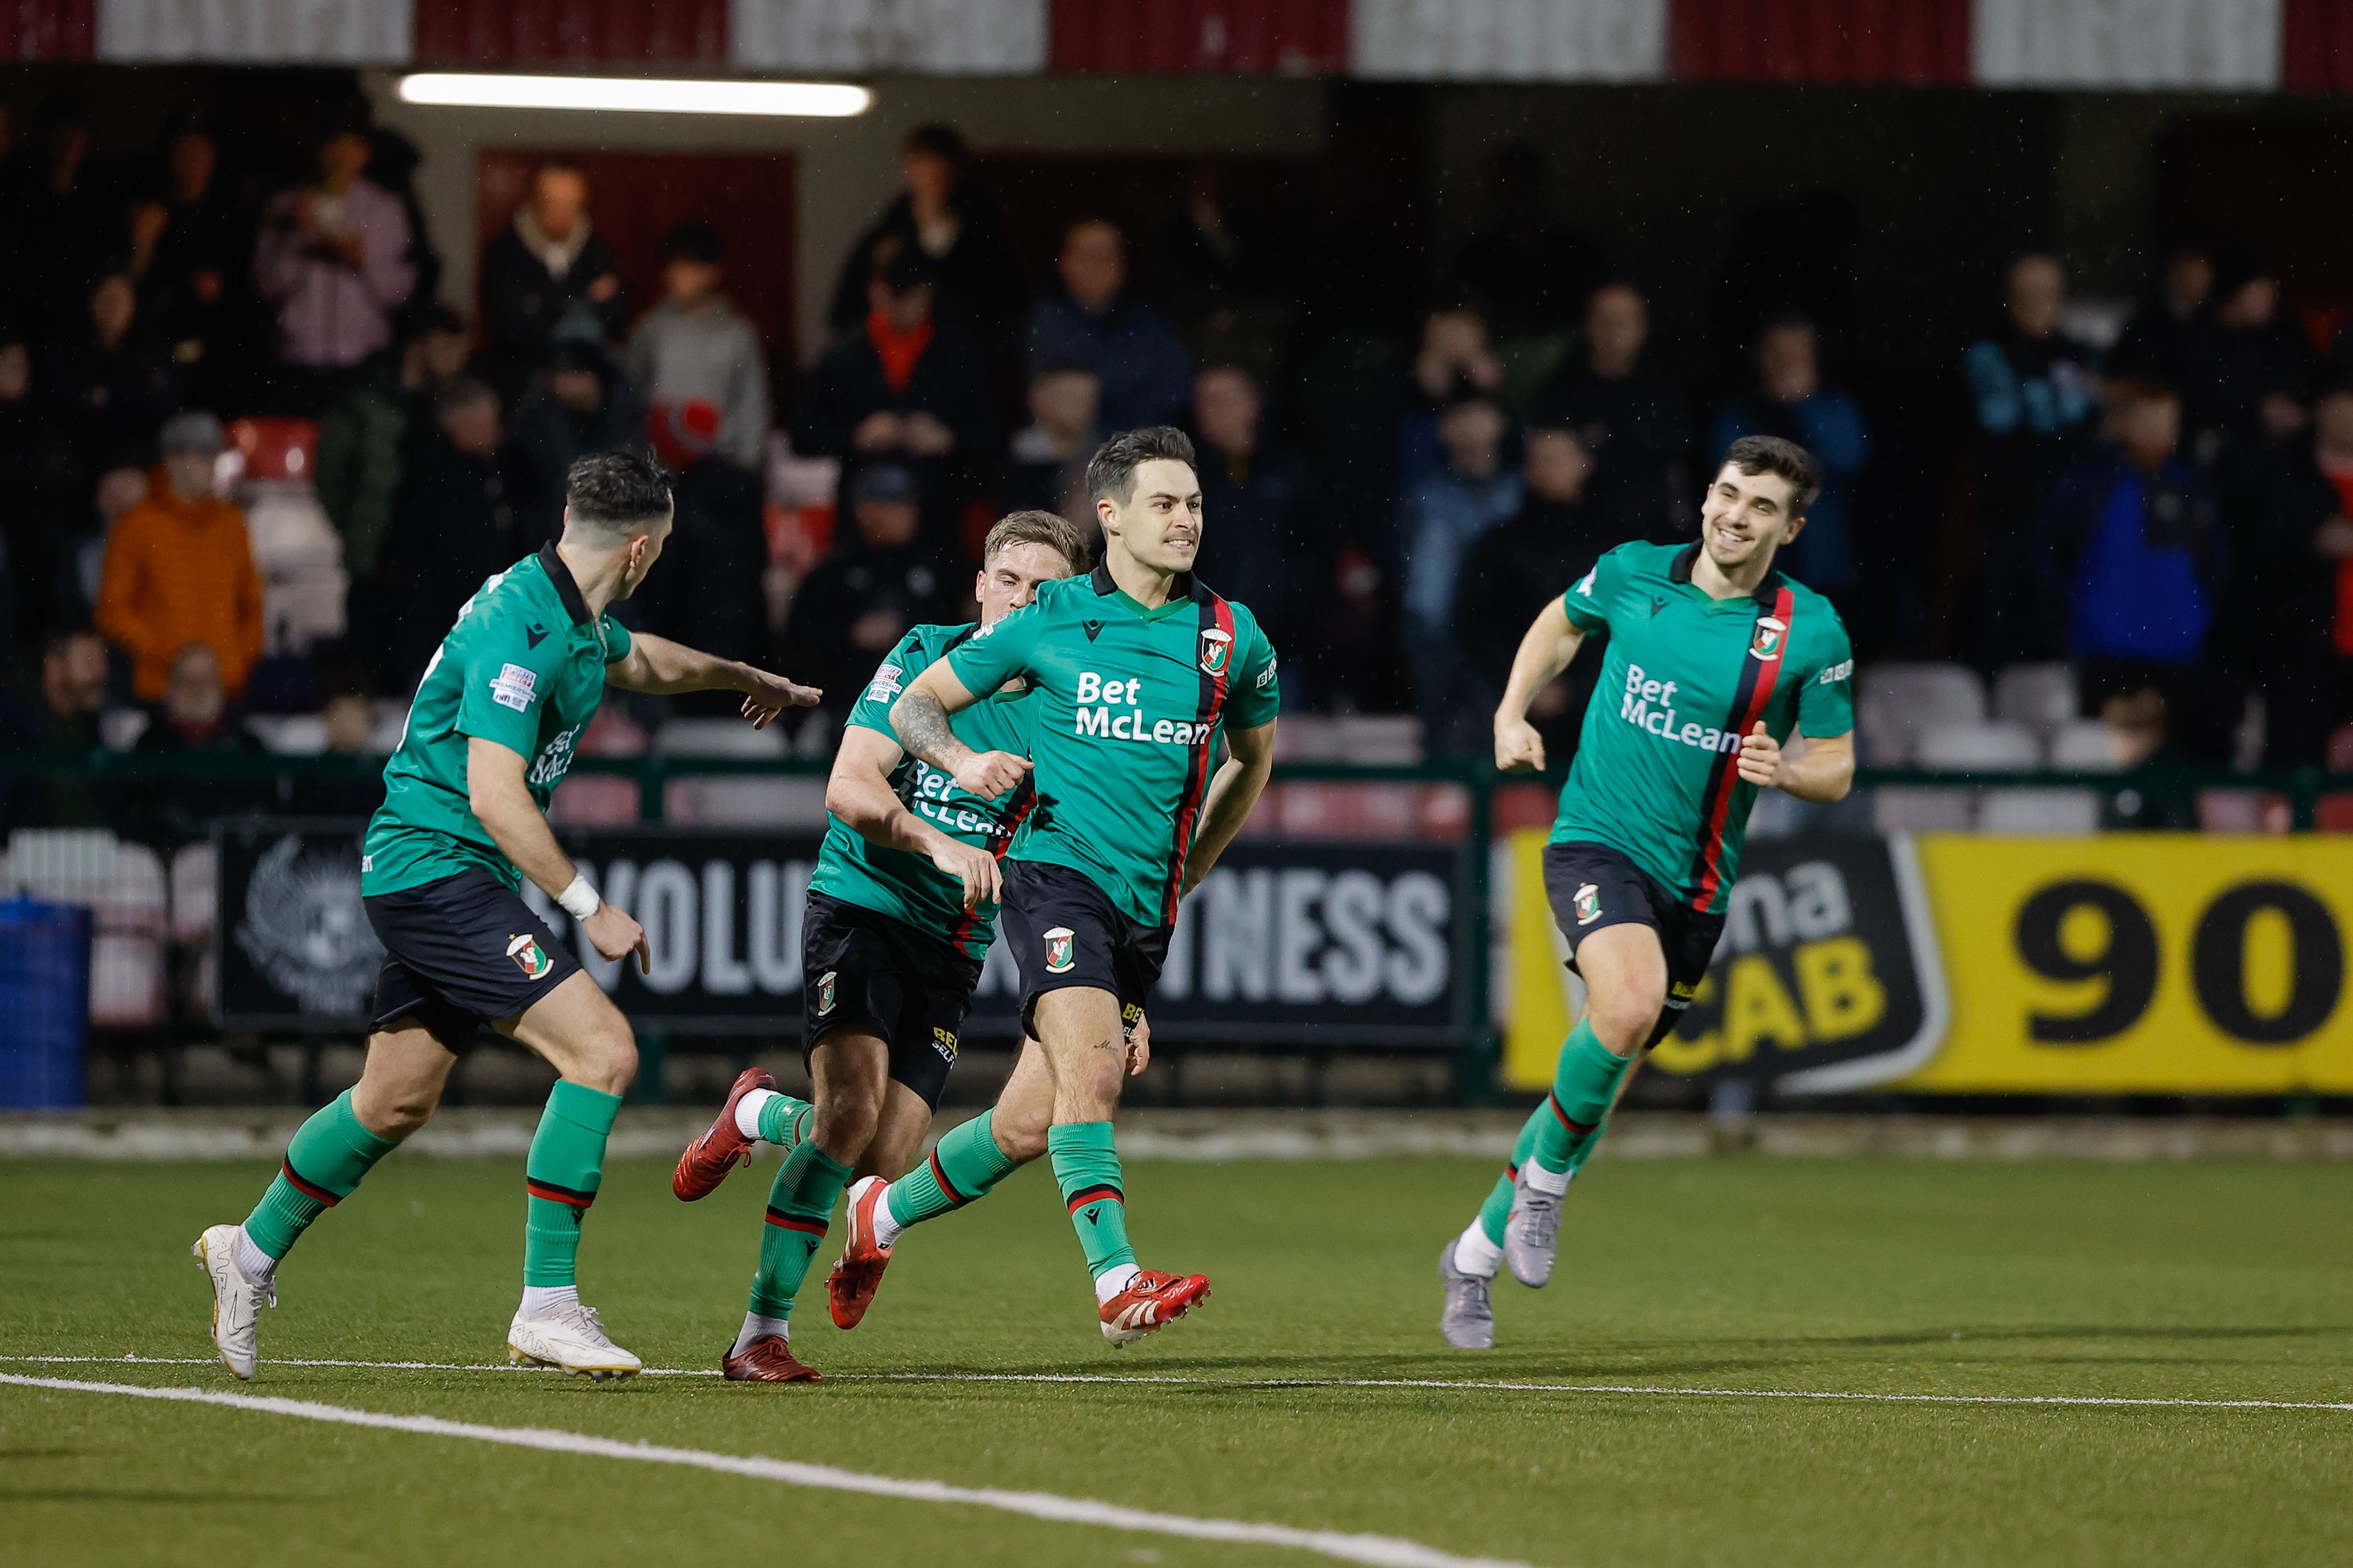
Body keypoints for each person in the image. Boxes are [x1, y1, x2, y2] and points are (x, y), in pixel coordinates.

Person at [192, 449, 824, 1383]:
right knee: (602, 1050)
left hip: (439, 870)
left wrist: (744, 677)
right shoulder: (521, 627)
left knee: (393, 1098)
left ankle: (244, 1252)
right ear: (644, 548)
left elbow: (640, 657)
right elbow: (493, 793)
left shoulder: (569, 611)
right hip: (436, 868)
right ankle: (548, 1305)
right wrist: (589, 904)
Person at [1438, 435, 1855, 1351]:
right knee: (1621, 1011)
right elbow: (1559, 622)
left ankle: (1473, 1251)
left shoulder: (1810, 632)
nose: (1734, 515)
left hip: (1697, 887)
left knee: (1607, 1066)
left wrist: (1788, 771)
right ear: (1706, 495)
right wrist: (1511, 711)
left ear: (1790, 528)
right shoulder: (1632, 573)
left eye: (1758, 507)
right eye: (1726, 493)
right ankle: (1546, 1191)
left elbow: (1838, 768)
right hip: (1595, 843)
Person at [875, 427, 1281, 1345]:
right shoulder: (1049, 616)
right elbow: (916, 705)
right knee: (1095, 1072)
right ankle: (1117, 1282)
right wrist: (961, 759)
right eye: (1165, 504)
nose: (1187, 521)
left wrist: (1190, 871)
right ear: (1111, 516)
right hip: (1053, 876)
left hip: (1143, 905)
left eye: (1196, 504)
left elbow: (1250, 762)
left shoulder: (1230, 635)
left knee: (1029, 1122)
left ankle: (879, 1217)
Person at [670, 510, 1092, 1381]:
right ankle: (759, 1336)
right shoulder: (923, 661)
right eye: (1007, 580)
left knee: (884, 1155)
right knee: (850, 1115)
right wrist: (940, 844)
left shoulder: (1068, 707)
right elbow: (849, 787)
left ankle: (754, 1115)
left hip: (952, 944)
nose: (1021, 599)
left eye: (1043, 589)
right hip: (861, 903)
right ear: (980, 585)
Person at [2034, 380, 2235, 764]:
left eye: (2168, 422)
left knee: (2181, 765)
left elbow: (2217, 565)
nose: (2159, 432)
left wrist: (2195, 615)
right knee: (2102, 762)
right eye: (2148, 421)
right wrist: (2081, 608)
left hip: (2180, 653)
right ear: (2124, 424)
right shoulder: (2087, 482)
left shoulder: (2195, 486)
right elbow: (2049, 552)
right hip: (2104, 651)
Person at [791, 249, 995, 540]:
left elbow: (991, 437)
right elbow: (802, 434)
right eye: (893, 293)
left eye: (911, 294)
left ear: (927, 293)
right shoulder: (843, 356)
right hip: (860, 504)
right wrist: (856, 436)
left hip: (935, 505)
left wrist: (948, 440)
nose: (902, 306)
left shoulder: (955, 356)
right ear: (875, 291)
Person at [1961, 251, 2100, 668]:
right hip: (2010, 507)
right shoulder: (1987, 352)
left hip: (2070, 509)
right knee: (2003, 616)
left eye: (2046, 293)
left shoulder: (2076, 352)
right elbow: (1999, 419)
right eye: (2026, 293)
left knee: (2060, 617)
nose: (2037, 302)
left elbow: (2092, 418)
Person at [1452, 426, 1612, 763]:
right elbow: (1475, 626)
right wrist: (1527, 685)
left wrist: (1580, 690)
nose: (1545, 470)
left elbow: (1627, 627)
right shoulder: (1499, 545)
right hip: (1512, 704)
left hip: (1601, 709)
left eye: (1557, 460)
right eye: (1537, 461)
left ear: (1586, 463)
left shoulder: (1615, 547)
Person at [370, 379, 539, 688]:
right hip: (437, 635)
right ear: (460, 423)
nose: (499, 433)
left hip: (466, 632)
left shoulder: (492, 473)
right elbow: (456, 566)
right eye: (490, 422)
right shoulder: (435, 482)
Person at [95, 412, 264, 704]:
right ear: (172, 461)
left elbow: (251, 604)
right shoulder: (138, 526)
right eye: (200, 455)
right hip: (161, 689)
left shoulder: (231, 524)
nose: (208, 466)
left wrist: (236, 657)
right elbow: (113, 610)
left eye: (212, 455)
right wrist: (169, 654)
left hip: (224, 689)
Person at [779, 463, 959, 728]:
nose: (904, 515)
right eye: (892, 505)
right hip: (841, 709)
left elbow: (959, 628)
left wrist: (907, 632)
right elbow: (798, 642)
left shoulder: (937, 569)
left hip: (928, 708)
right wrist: (851, 634)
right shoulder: (833, 572)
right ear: (864, 509)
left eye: (908, 505)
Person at [253, 117, 417, 405]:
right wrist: (297, 236)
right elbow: (267, 287)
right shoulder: (286, 206)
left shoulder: (384, 209)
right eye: (332, 147)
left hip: (361, 358)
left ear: (365, 153)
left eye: (350, 147)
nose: (340, 157)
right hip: (299, 356)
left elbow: (399, 291)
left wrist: (361, 263)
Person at [826, 124, 1024, 360]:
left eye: (939, 169)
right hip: (893, 362)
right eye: (920, 164)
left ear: (954, 172)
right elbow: (846, 312)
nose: (930, 176)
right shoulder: (886, 233)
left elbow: (1005, 305)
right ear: (907, 169)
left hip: (960, 364)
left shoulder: (981, 234)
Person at [1711, 316, 1868, 606]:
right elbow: (1734, 471)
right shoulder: (1739, 413)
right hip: (1757, 565)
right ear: (1760, 358)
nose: (1787, 363)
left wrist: (1801, 407)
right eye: (1777, 353)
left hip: (1827, 561)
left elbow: (1849, 460)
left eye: (1796, 354)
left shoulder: (1836, 408)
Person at [1400, 391, 1522, 755]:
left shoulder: (1521, 491)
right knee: (1445, 749)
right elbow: (1420, 594)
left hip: (1508, 643)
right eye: (1459, 417)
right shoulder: (1427, 496)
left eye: (1481, 415)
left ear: (1502, 425)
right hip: (1439, 647)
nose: (1471, 427)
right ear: (1443, 430)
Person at [2241, 378, 2353, 764]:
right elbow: (2258, 550)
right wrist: (2310, 543)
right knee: (2296, 763)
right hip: (2304, 648)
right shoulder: (2286, 470)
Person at [1533, 282, 1689, 545]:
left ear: (1643, 328)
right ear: (1587, 325)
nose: (1612, 330)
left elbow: (1676, 450)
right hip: (1576, 528)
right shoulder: (1564, 386)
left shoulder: (1665, 387)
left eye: (1623, 321)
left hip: (1652, 525)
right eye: (1604, 320)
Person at [1189, 362, 1319, 661]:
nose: (1216, 410)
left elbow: (1317, 545)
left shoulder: (1290, 469)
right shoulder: (1184, 476)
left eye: (1227, 399)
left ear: (1254, 403)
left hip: (1284, 644)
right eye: (1207, 402)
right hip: (1203, 642)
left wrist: (1299, 603)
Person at [479, 160, 629, 402]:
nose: (562, 213)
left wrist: (543, 303)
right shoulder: (505, 253)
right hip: (526, 388)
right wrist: (581, 297)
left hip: (586, 391)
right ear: (534, 200)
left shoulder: (598, 252)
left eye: (571, 204)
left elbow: (615, 315)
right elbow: (510, 329)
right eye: (553, 202)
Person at [626, 220, 768, 470]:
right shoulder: (650, 330)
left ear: (713, 272)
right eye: (675, 267)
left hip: (720, 462)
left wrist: (746, 466)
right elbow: (631, 398)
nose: (681, 276)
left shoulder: (737, 334)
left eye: (691, 267)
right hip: (660, 465)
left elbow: (751, 404)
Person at [1026, 218, 1191, 431]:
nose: (1097, 265)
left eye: (1107, 256)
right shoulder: (1046, 321)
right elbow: (1060, 398)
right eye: (1088, 255)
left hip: (1143, 445)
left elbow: (1174, 389)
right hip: (1075, 453)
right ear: (1065, 262)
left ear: (1122, 266)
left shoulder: (1148, 322)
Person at [47, 271, 184, 473]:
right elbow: (69, 414)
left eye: (121, 298)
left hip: (144, 463)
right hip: (85, 463)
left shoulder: (155, 351)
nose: (113, 306)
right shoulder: (70, 354)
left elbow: (163, 410)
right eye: (107, 298)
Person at [0, 626, 108, 831]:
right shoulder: (12, 723)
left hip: (91, 852)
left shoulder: (95, 726)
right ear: (53, 666)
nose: (100, 673)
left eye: (103, 661)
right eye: (89, 661)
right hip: (24, 854)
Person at [996, 361, 1101, 524]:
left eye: (1090, 399)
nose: (1084, 408)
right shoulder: (1010, 463)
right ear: (1040, 399)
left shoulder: (1101, 459)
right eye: (1071, 398)